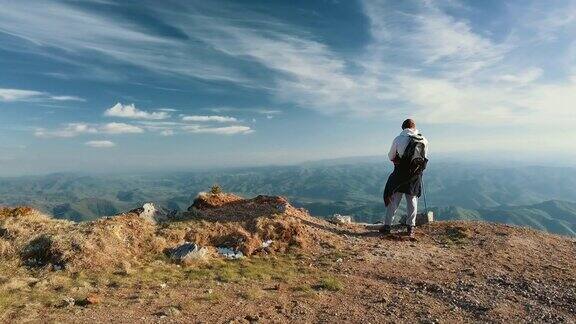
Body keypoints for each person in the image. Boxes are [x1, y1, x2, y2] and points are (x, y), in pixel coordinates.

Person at [382, 119, 428, 238]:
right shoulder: (423, 139)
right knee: (412, 200)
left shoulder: (398, 139)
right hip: (415, 174)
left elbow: (391, 156)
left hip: (400, 172)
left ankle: (387, 226)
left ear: (403, 128)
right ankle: (410, 228)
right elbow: (424, 157)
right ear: (414, 127)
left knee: (394, 198)